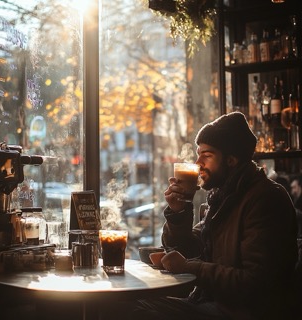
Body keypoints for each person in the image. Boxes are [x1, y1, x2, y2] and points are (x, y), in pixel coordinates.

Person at [126, 112, 299, 320]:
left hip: (241, 312)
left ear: (231, 160)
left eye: (206, 155)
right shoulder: (223, 196)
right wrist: (179, 212)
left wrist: (189, 267)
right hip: (209, 303)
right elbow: (191, 248)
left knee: (134, 308)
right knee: (125, 301)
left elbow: (255, 282)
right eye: (198, 154)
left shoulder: (265, 198)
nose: (198, 163)